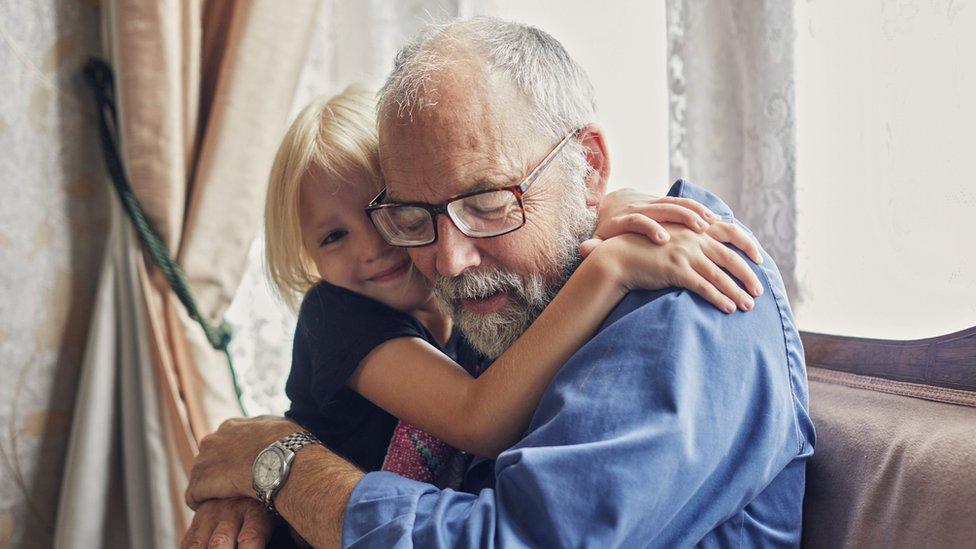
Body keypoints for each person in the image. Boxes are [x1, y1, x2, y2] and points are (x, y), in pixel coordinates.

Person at [185, 17, 814, 548]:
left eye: (486, 201)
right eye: (415, 216)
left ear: (588, 166)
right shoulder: (505, 308)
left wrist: (284, 467)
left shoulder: (687, 302)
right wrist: (261, 492)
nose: (449, 260)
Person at [266, 85, 761, 494]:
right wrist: (608, 268)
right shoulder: (334, 315)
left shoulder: (463, 292)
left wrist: (597, 214)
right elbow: (476, 420)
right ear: (307, 253)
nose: (373, 246)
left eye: (395, 213)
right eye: (334, 237)